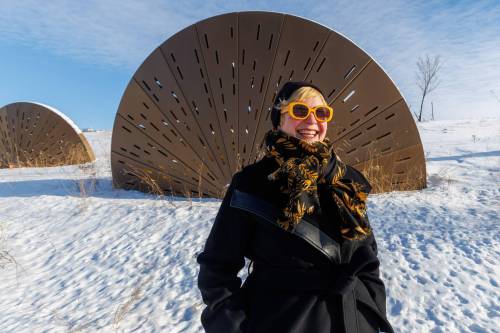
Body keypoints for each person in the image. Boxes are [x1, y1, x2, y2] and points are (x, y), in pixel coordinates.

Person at [197, 81, 394, 333]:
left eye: (321, 113)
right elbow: (217, 267)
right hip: (285, 321)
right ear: (280, 119)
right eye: (300, 111)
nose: (312, 121)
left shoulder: (346, 182)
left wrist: (373, 306)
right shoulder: (253, 183)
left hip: (353, 319)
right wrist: (232, 326)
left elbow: (367, 256)